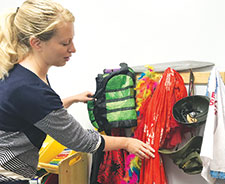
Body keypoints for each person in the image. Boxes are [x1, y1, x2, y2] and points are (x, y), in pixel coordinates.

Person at [0, 0, 155, 183]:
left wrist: (71, 99)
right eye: (65, 43)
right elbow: (81, 141)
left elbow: (37, 114)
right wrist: (127, 143)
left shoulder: (19, 72)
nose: (73, 49)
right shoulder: (31, 89)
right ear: (37, 43)